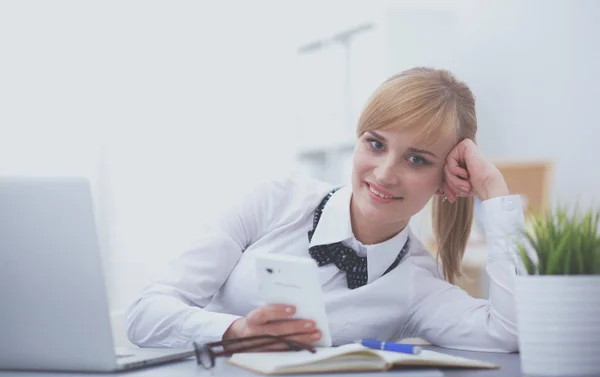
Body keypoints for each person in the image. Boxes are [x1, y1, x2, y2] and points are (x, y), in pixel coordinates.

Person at [125, 67, 525, 353]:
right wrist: (234, 330)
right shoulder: (273, 202)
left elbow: (509, 332)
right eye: (375, 144)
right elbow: (146, 313)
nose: (385, 174)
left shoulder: (417, 285)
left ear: (445, 181)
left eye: (417, 160)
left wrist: (493, 190)